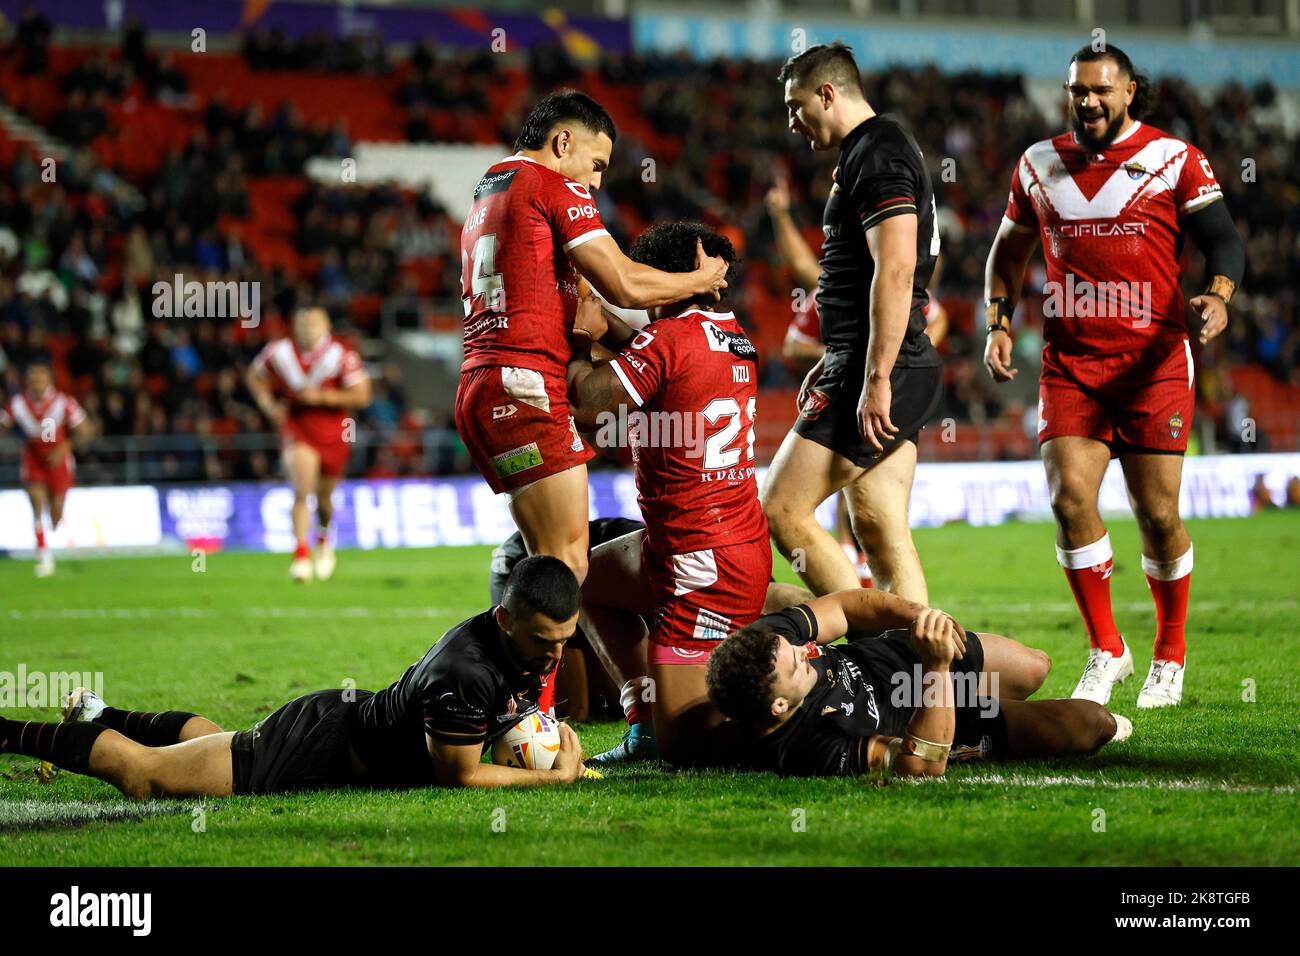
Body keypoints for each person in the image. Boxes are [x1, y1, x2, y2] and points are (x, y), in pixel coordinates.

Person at [982, 44, 1245, 708]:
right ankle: (1108, 650)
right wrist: (998, 319)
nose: (1089, 101)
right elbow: (1008, 250)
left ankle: (1170, 654)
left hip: (1154, 363)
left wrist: (1218, 294)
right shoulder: (1038, 164)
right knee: (1071, 501)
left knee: (1156, 514)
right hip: (1071, 365)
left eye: (1102, 90)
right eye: (1078, 91)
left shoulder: (1173, 159)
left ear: (1130, 91)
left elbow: (1225, 239)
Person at [1, 557, 592, 795]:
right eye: (542, 643)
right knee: (145, 777)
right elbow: (459, 777)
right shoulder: (466, 671)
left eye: (563, 643)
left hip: (334, 730)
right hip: (321, 746)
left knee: (219, 739)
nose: (552, 658)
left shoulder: (522, 648)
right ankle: (7, 733)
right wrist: (553, 779)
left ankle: (100, 716)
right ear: (504, 620)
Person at [456, 89, 728, 595]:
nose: (597, 181)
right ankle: (511, 675)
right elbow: (623, 282)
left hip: (483, 386)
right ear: (563, 143)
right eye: (597, 163)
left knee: (545, 564)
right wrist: (700, 280)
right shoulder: (551, 185)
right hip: (525, 386)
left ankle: (530, 670)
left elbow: (566, 296)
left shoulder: (489, 188)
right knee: (566, 567)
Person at [566, 220, 770, 767]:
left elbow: (589, 404)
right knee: (586, 581)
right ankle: (642, 721)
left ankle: (817, 719)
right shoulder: (736, 339)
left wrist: (582, 336)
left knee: (689, 750)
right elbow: (656, 358)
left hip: (699, 563)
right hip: (718, 543)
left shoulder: (668, 340)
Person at [762, 43, 944, 605]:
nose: (792, 122)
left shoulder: (877, 153)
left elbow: (895, 270)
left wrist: (875, 376)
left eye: (796, 107)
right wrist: (837, 355)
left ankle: (868, 643)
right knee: (880, 528)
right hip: (887, 357)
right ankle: (912, 668)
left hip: (884, 363)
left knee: (782, 508)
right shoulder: (872, 150)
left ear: (827, 93)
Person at [706, 588, 1132, 777]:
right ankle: (1000, 716)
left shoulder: (764, 647)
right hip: (934, 715)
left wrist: (917, 617)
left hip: (899, 659)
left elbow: (845, 606)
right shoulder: (807, 747)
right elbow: (921, 767)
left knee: (1036, 667)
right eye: (797, 664)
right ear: (778, 707)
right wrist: (938, 667)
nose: (805, 649)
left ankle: (1002, 703)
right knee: (1092, 723)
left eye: (794, 645)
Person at [247, 306, 371, 582]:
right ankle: (301, 555)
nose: (308, 330)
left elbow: (362, 395)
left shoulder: (340, 355)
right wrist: (267, 404)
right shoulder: (279, 352)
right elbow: (255, 375)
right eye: (303, 324)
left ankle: (324, 540)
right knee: (302, 489)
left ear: (326, 325)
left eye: (313, 324)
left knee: (324, 500)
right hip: (297, 428)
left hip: (333, 433)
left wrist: (323, 398)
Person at [0, 362, 93, 577]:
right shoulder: (18, 404)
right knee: (36, 501)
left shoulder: (63, 403)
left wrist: (64, 448)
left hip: (58, 460)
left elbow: (86, 430)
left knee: (56, 510)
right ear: (28, 382)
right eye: (33, 380)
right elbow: (3, 424)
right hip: (33, 458)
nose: (37, 384)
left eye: (41, 379)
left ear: (49, 380)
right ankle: (43, 554)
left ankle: (53, 526)